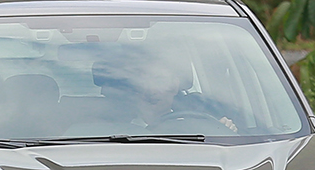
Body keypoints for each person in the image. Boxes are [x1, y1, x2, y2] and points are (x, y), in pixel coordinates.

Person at [84, 41, 240, 134]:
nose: (150, 88)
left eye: (158, 80)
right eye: (141, 80)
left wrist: (224, 131)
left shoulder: (196, 124)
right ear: (130, 86)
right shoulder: (105, 126)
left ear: (175, 85)